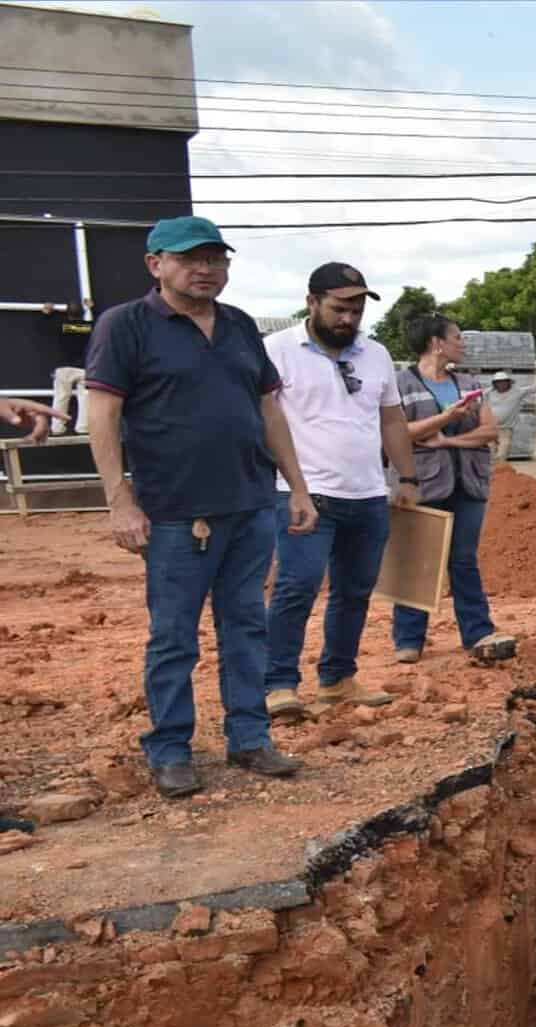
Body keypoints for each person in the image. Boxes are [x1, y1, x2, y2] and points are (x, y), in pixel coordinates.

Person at [82, 216, 316, 798]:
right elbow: (103, 416)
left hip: (250, 505)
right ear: (155, 264)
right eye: (191, 258)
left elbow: (268, 413)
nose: (206, 269)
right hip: (173, 514)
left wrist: (297, 487)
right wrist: (119, 502)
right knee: (174, 638)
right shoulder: (126, 326)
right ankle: (169, 750)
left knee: (245, 628)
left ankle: (250, 739)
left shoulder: (239, 325)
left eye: (216, 258)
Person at [262, 264, 421, 719]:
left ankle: (337, 677)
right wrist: (291, 486)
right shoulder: (276, 351)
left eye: (356, 309)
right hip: (303, 494)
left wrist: (406, 478)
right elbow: (264, 419)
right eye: (338, 308)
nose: (348, 318)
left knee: (355, 590)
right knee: (297, 587)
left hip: (367, 494)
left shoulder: (376, 354)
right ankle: (278, 684)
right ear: (312, 302)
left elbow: (391, 419)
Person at [390, 313, 515, 664]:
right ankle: (408, 639)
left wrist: (447, 441)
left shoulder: (468, 382)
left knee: (463, 560)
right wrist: (446, 419)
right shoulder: (400, 384)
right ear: (436, 343)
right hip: (421, 484)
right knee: (417, 561)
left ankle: (477, 632)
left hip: (469, 482)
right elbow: (397, 433)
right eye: (458, 337)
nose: (464, 343)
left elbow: (490, 431)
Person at [488, 366, 536, 460]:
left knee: (502, 453)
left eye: (503, 381)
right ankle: (489, 473)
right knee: (489, 453)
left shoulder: (517, 392)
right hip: (490, 428)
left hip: (505, 429)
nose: (501, 384)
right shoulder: (488, 393)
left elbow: (533, 389)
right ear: (494, 384)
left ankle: (499, 472)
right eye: (498, 382)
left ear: (508, 382)